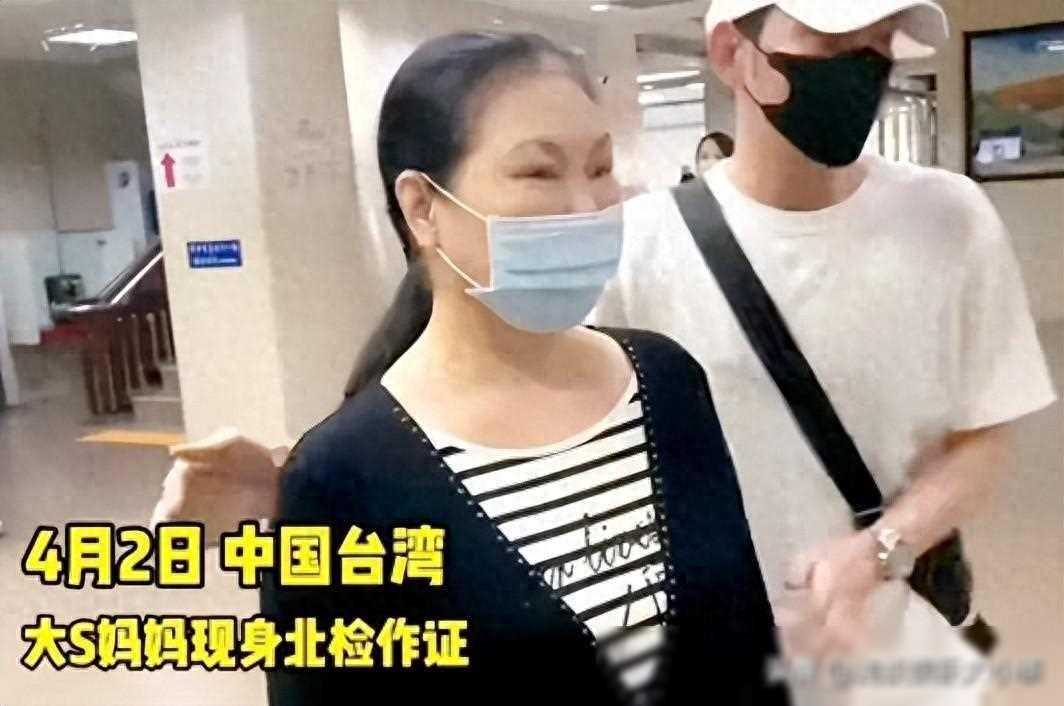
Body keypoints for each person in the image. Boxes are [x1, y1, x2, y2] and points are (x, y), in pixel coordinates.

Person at [155, 2, 1058, 704]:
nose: (585, 207)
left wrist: (880, 551)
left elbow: (986, 434)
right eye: (832, 45)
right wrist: (318, 479)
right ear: (733, 53)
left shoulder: (939, 224)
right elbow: (494, 387)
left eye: (880, 45)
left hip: (883, 655)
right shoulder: (643, 247)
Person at [243, 32, 783, 706]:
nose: (586, 208)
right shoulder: (340, 477)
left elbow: (748, 642)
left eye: (600, 168)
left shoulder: (667, 382)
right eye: (538, 173)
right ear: (422, 208)